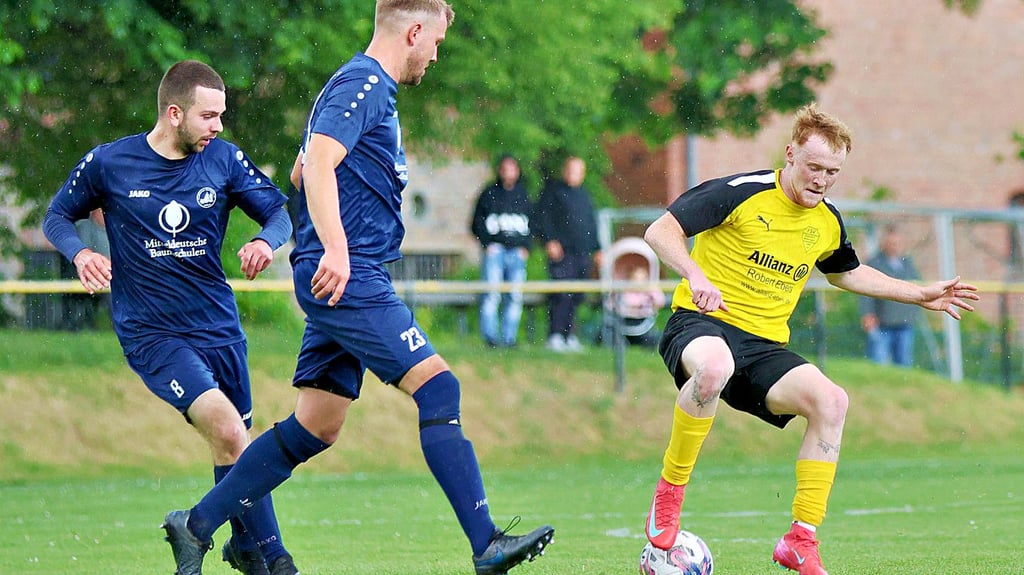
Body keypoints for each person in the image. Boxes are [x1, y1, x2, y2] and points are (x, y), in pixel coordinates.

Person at [160, 3, 554, 575]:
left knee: (317, 425)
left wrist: (334, 208)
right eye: (436, 42)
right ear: (413, 31)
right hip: (350, 275)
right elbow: (318, 164)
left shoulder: (359, 87)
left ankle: (196, 525)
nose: (435, 55)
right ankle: (486, 543)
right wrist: (339, 249)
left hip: (344, 272)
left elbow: (302, 169)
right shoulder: (363, 84)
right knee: (439, 389)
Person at [641, 103, 979, 575]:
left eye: (832, 172)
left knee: (832, 402)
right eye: (814, 167)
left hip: (762, 348)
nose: (821, 180)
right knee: (714, 368)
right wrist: (695, 274)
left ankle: (800, 540)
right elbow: (660, 231)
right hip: (701, 325)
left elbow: (847, 273)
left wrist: (918, 293)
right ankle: (669, 495)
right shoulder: (741, 192)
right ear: (790, 155)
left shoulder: (826, 221)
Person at [41, 60, 299, 575]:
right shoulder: (110, 163)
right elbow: (56, 216)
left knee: (237, 447)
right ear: (174, 113)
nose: (218, 126)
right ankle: (267, 555)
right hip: (153, 333)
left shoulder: (223, 159)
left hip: (219, 328)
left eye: (221, 115)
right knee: (230, 432)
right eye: (209, 116)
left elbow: (279, 211)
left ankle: (249, 550)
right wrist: (81, 253)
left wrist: (264, 241)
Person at [533, 155, 601, 352]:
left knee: (576, 295)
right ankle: (555, 334)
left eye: (577, 171)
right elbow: (542, 219)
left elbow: (591, 225)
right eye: (570, 170)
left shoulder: (584, 196)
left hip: (581, 253)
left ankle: (569, 334)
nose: (573, 174)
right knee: (561, 293)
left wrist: (597, 248)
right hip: (562, 254)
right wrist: (549, 241)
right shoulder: (553, 193)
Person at [470, 154, 533, 348]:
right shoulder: (489, 193)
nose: (508, 172)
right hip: (495, 251)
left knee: (514, 295)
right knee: (491, 293)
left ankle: (509, 338)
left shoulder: (523, 195)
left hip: (517, 253)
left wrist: (526, 247)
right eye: (505, 168)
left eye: (512, 168)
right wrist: (487, 244)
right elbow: (476, 223)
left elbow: (534, 224)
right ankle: (490, 337)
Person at [859, 225, 921, 367]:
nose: (894, 247)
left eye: (897, 243)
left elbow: (917, 287)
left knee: (903, 364)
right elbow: (865, 293)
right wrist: (867, 314)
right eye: (891, 243)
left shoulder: (907, 264)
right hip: (882, 323)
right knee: (878, 362)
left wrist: (913, 313)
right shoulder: (875, 263)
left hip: (904, 323)